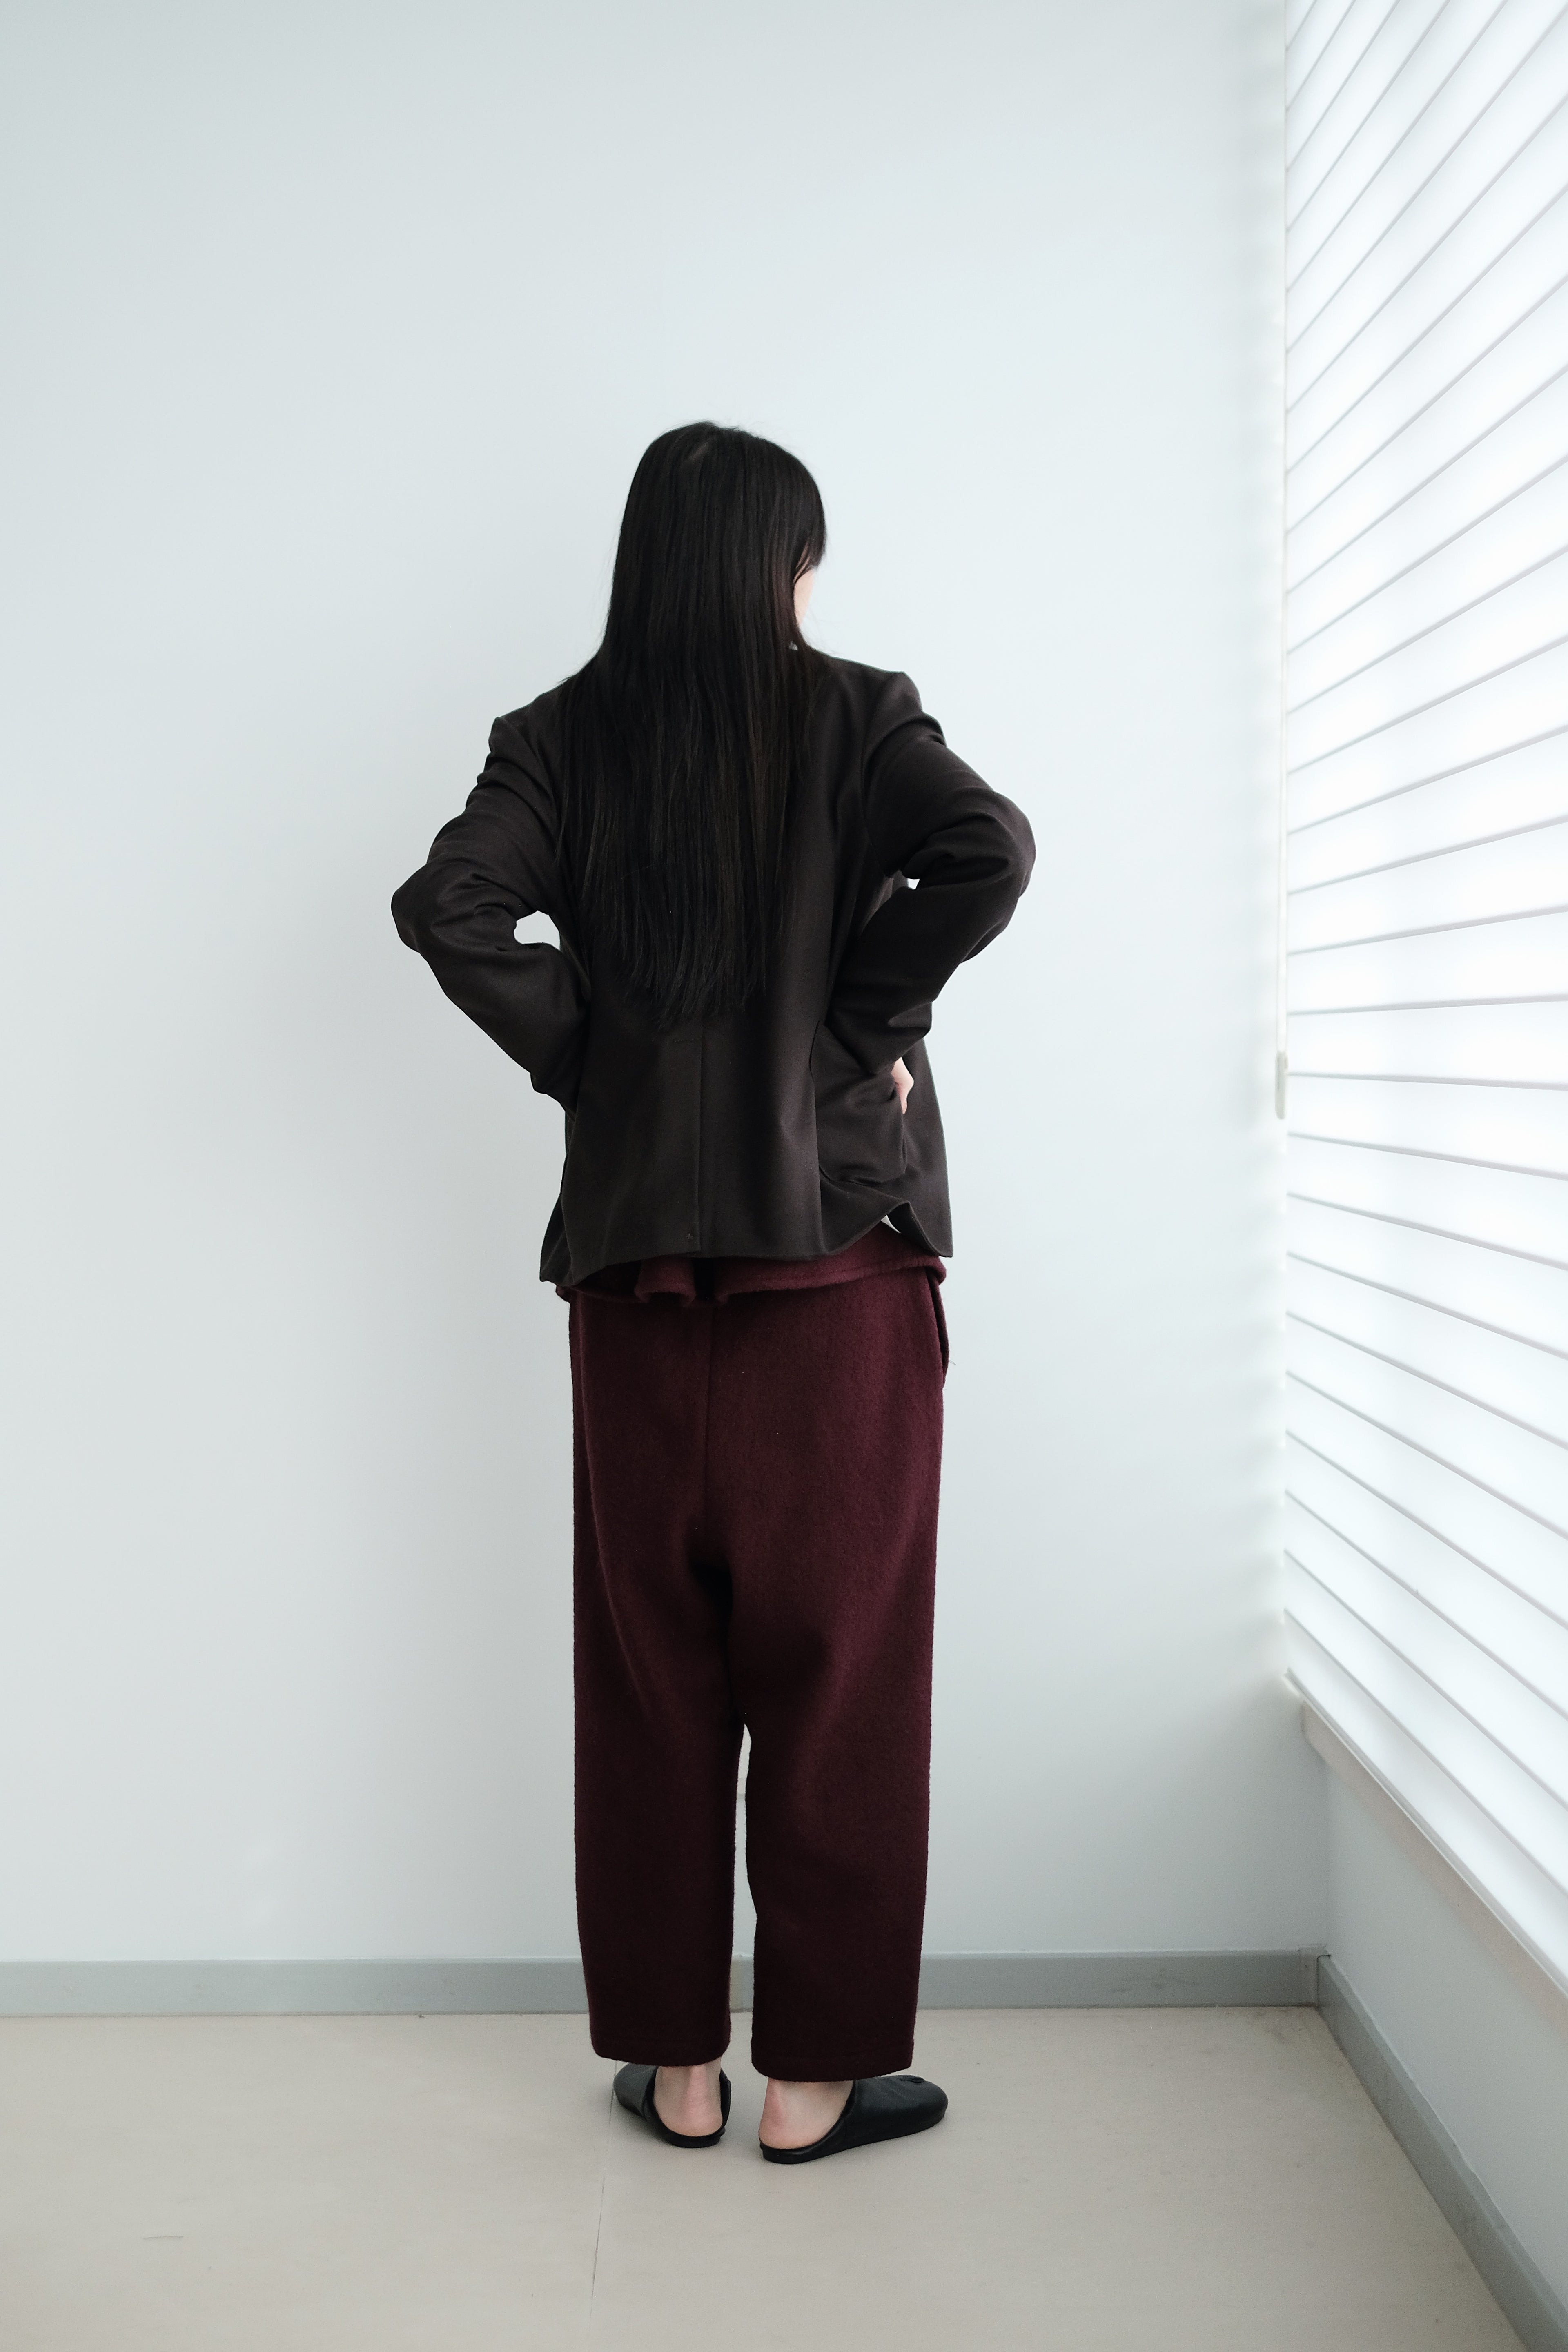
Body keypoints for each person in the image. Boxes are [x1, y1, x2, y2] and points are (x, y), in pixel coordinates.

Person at [392, 423, 1033, 2163]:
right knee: (844, 1678)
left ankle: (679, 2070)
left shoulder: (558, 738)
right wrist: (862, 1025)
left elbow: (452, 907)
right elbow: (990, 851)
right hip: (836, 1281)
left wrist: (597, 1060)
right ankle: (815, 2083)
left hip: (637, 1291)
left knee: (650, 1679)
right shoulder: (857, 714)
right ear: (782, 565)